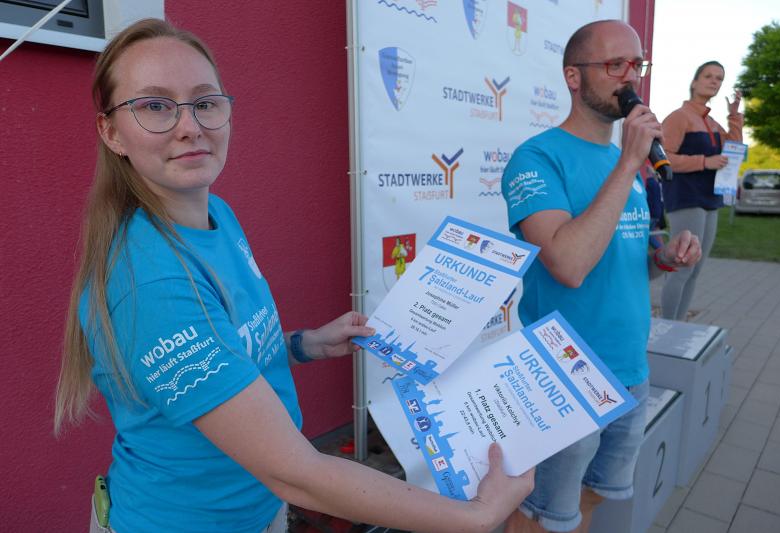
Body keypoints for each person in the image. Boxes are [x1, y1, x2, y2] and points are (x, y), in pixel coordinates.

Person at [53, 18, 533, 533]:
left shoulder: (216, 216)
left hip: (257, 511)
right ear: (111, 132)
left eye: (205, 102)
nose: (189, 126)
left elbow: (225, 354)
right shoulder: (150, 285)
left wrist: (305, 345)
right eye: (155, 106)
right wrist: (476, 516)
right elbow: (297, 474)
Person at [500, 20, 702, 533]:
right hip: (565, 374)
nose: (630, 77)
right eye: (615, 65)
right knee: (541, 513)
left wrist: (666, 257)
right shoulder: (537, 158)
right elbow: (568, 265)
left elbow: (627, 257)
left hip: (631, 367)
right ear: (573, 76)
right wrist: (629, 163)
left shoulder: (622, 160)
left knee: (592, 498)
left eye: (637, 65)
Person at [660, 61, 743, 320]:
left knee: (695, 270)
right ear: (694, 82)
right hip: (686, 198)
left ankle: (678, 326)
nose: (714, 81)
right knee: (682, 268)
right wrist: (704, 162)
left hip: (710, 200)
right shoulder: (679, 117)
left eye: (719, 78)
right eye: (708, 76)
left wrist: (734, 115)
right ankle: (667, 326)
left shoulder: (713, 123)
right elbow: (662, 158)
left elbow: (734, 150)